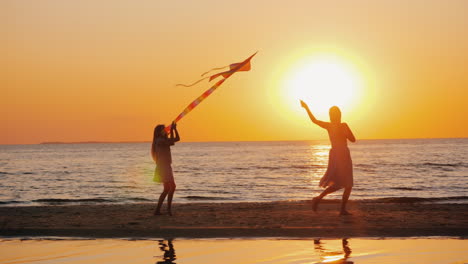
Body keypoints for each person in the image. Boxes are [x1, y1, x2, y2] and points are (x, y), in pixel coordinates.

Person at [301, 100, 356, 215]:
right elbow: (353, 139)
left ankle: (320, 199)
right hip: (340, 154)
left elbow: (352, 139)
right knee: (346, 183)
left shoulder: (335, 126)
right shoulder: (339, 125)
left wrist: (306, 108)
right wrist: (306, 108)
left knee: (345, 183)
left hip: (338, 154)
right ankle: (338, 208)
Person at [151, 122, 180, 216]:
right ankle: (166, 210)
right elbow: (172, 141)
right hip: (163, 167)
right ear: (159, 132)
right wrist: (171, 129)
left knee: (168, 188)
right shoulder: (159, 141)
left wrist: (174, 129)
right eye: (164, 129)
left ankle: (159, 210)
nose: (166, 130)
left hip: (166, 166)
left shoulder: (162, 140)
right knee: (171, 187)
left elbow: (177, 139)